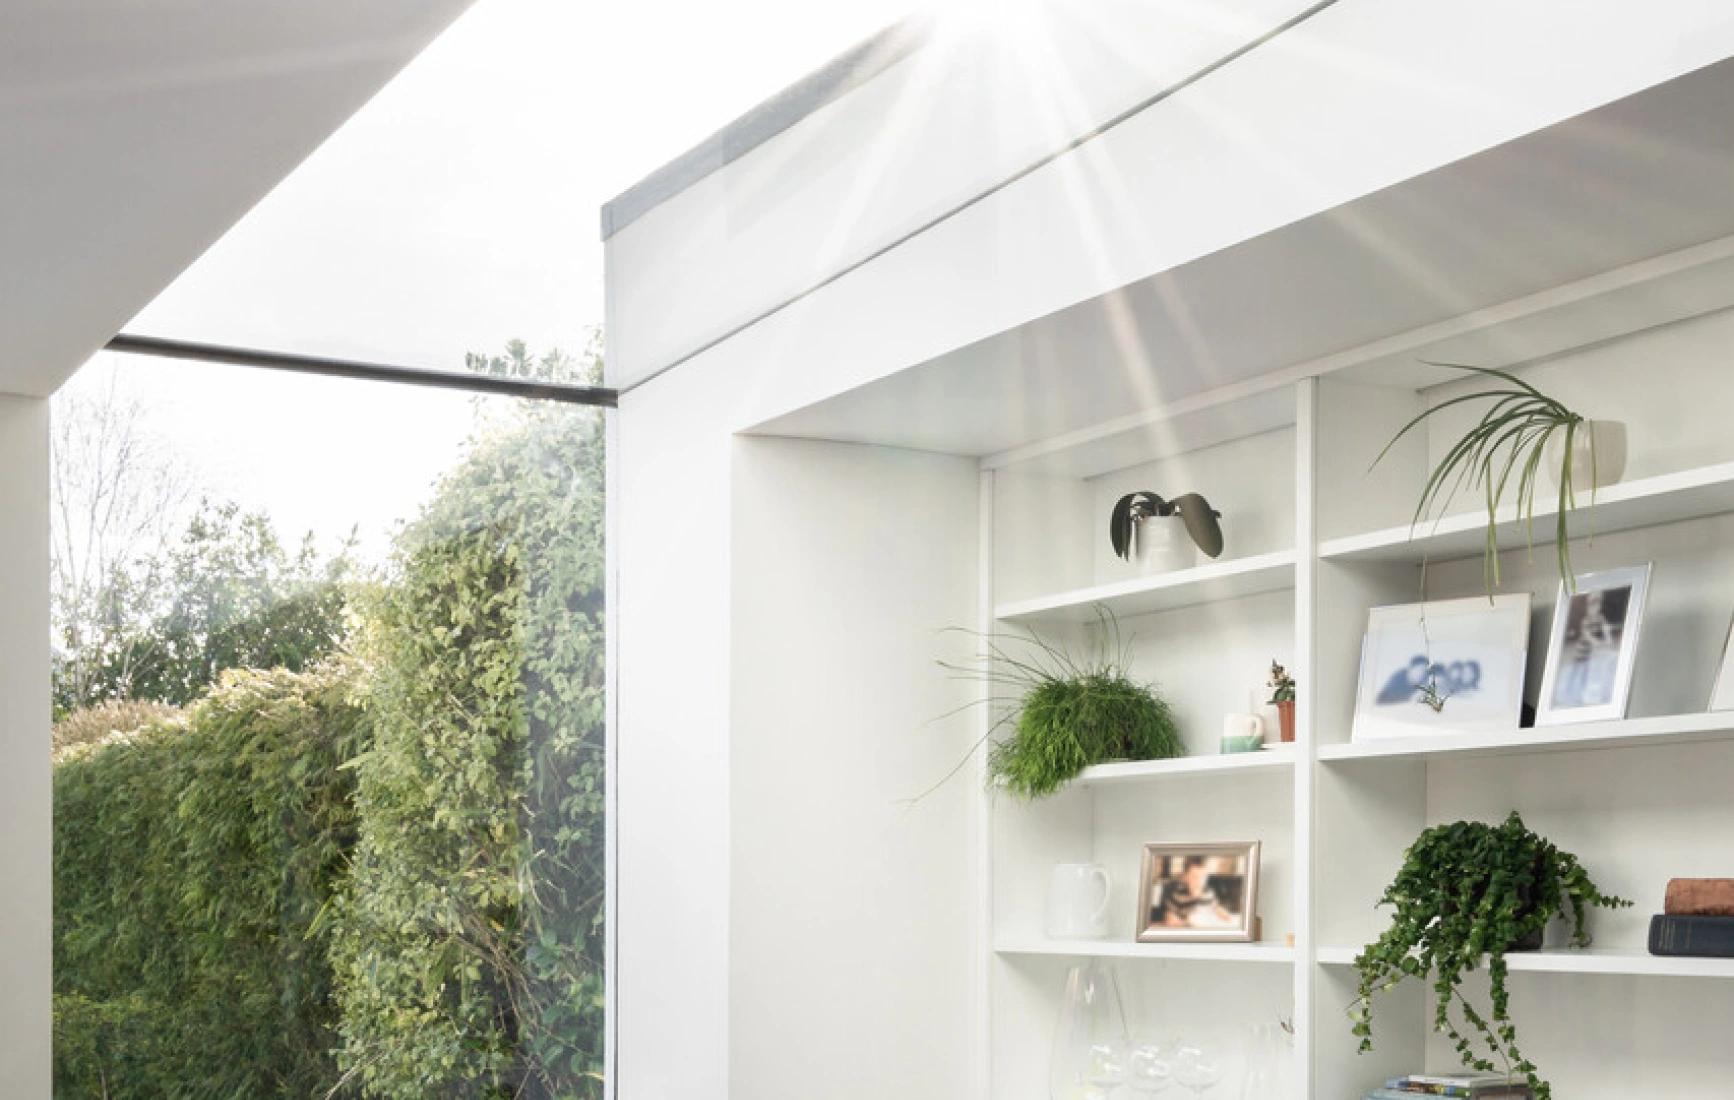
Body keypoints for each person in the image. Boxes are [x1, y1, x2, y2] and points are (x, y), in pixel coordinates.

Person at [1154, 856, 1234, 928]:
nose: (1199, 881)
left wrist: (1223, 913)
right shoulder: (1177, 894)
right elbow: (1170, 920)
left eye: (1202, 877)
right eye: (1194, 877)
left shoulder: (1207, 892)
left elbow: (1216, 907)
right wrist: (1186, 923)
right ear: (1185, 877)